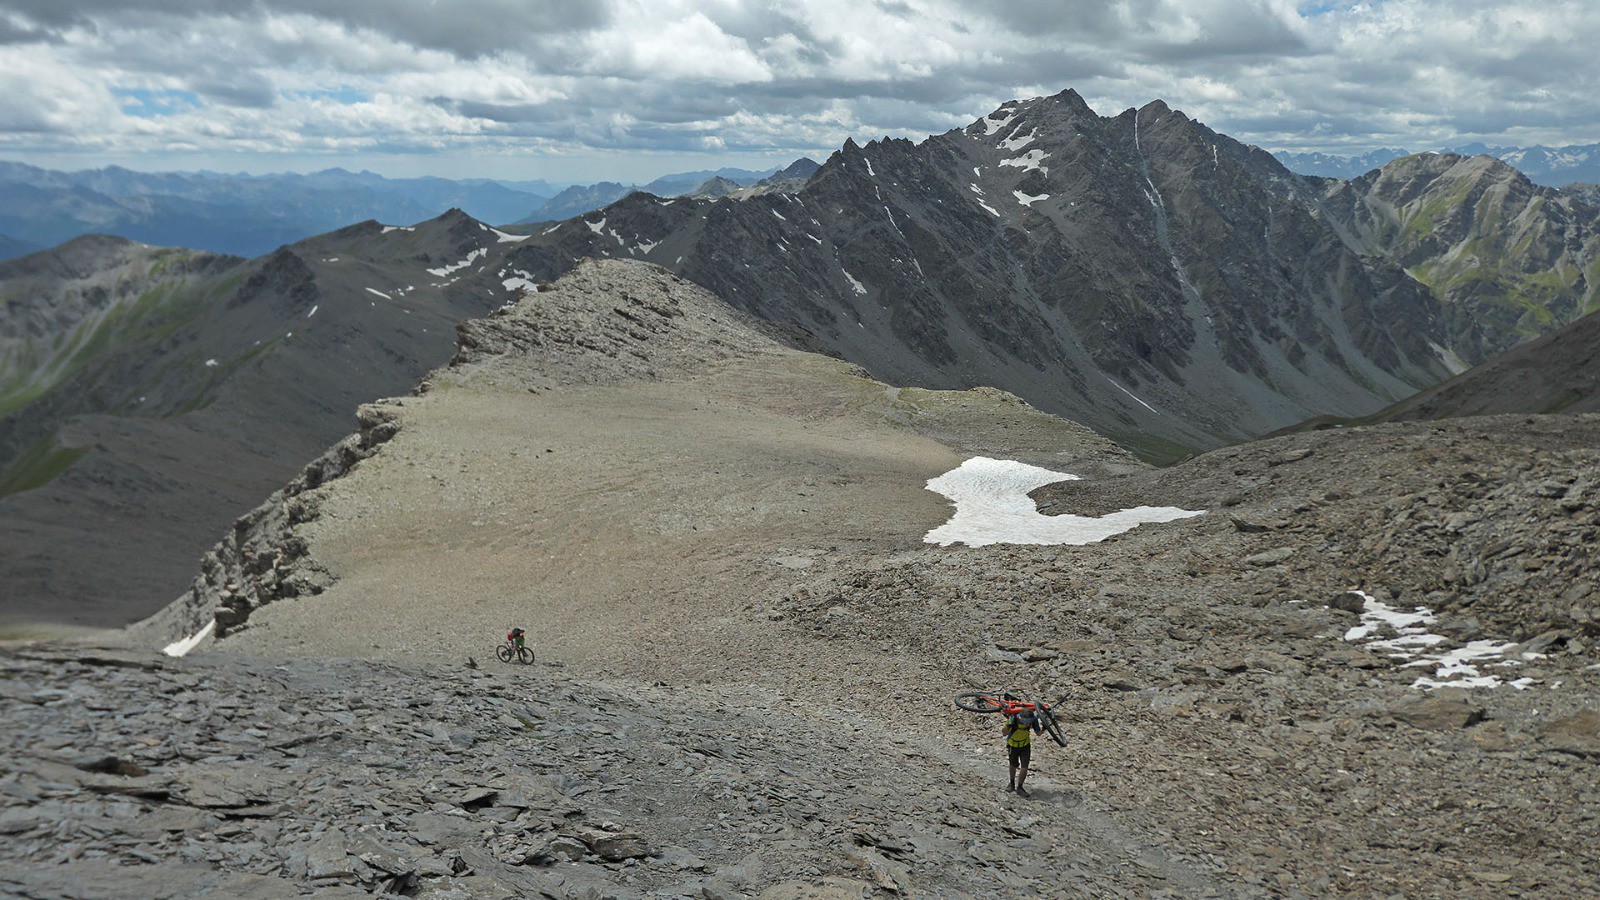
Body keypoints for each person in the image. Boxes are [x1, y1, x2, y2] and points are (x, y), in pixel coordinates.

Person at [1004, 707, 1040, 796]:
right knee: (1013, 765)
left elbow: (1038, 733)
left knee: (1024, 767)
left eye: (1029, 721)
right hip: (1013, 745)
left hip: (1025, 745)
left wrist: (1045, 728)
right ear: (1020, 717)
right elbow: (1004, 733)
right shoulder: (1013, 719)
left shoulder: (1034, 720)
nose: (1027, 724)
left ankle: (1020, 787)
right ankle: (1011, 784)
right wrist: (1008, 725)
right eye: (1025, 721)